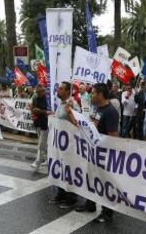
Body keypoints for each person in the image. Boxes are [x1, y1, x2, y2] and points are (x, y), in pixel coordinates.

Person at [76, 83, 119, 223]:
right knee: (91, 178)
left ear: (100, 94)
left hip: (103, 154)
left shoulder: (111, 111)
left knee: (104, 181)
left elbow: (113, 137)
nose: (91, 95)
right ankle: (90, 204)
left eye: (93, 93)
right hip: (93, 151)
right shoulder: (97, 108)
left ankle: (107, 212)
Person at [49, 81, 78, 209]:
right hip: (59, 145)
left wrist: (71, 111)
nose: (58, 90)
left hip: (69, 146)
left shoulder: (72, 104)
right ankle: (60, 194)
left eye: (61, 89)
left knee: (69, 171)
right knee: (60, 169)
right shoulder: (61, 104)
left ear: (67, 91)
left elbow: (78, 123)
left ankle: (71, 198)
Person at [30, 85, 51, 170]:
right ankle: (48, 159)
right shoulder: (35, 98)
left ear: (44, 91)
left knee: (41, 144)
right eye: (37, 92)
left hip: (47, 124)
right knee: (45, 143)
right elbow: (33, 108)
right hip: (38, 123)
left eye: (40, 92)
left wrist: (41, 111)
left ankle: (37, 162)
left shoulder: (48, 99)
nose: (38, 94)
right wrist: (33, 111)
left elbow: (51, 112)